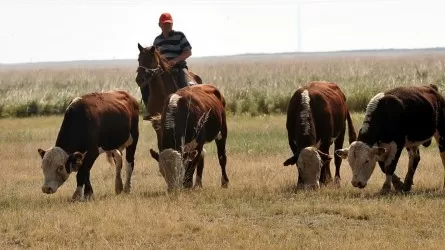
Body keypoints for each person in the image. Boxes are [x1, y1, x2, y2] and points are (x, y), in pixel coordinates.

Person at [153, 12, 193, 90]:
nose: (168, 26)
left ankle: (188, 101)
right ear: (160, 25)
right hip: (162, 70)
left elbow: (188, 52)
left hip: (179, 67)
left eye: (169, 24)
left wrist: (175, 60)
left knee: (185, 88)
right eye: (165, 24)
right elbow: (155, 57)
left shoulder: (180, 35)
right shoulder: (157, 40)